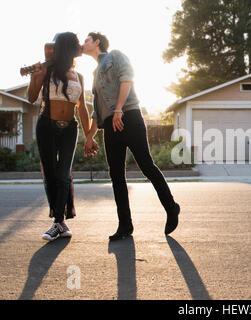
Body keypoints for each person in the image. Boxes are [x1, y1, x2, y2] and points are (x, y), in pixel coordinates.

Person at [82, 32, 180, 241]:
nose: (83, 44)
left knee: (146, 165)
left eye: (86, 40)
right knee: (116, 175)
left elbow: (127, 78)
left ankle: (171, 207)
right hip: (110, 125)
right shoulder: (95, 72)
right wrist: (89, 137)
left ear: (97, 42)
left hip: (129, 116)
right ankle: (125, 226)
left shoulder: (115, 56)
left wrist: (119, 110)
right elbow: (97, 111)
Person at [28, 32, 93, 241]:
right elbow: (31, 98)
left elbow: (82, 109)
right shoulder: (47, 71)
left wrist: (89, 136)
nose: (79, 47)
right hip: (46, 125)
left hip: (70, 128)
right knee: (50, 172)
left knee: (64, 172)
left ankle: (57, 221)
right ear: (68, 48)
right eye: (75, 44)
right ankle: (60, 222)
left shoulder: (80, 76)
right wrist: (34, 77)